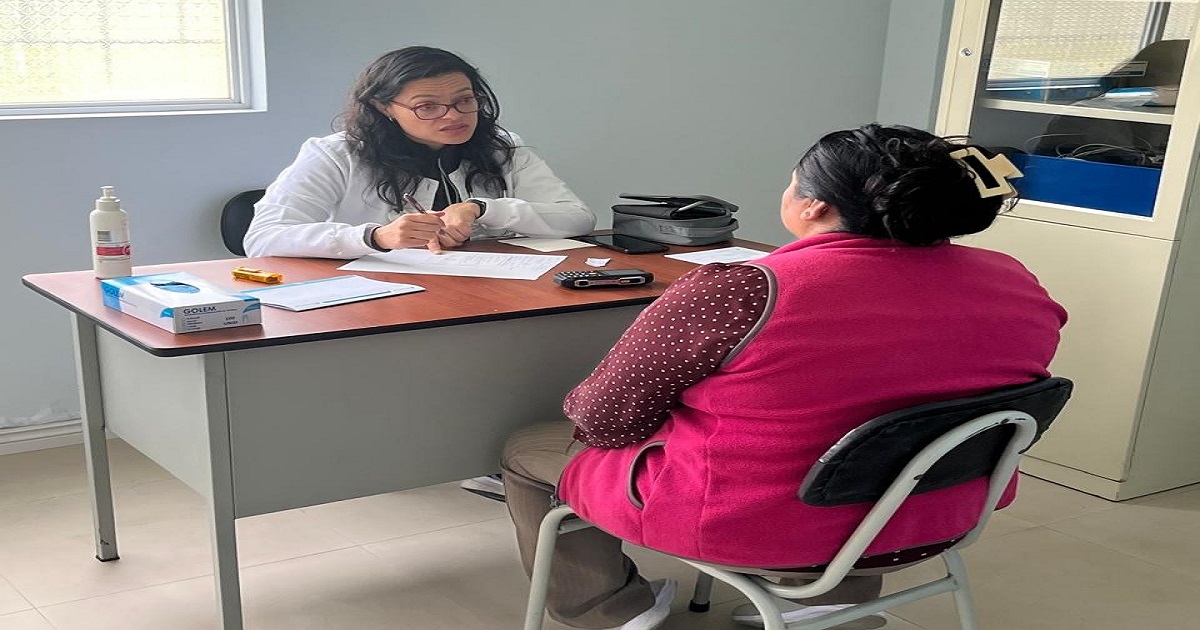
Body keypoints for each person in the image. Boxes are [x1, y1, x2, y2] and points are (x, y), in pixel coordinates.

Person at [501, 124, 1067, 630]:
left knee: (529, 448)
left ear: (814, 205)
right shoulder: (1014, 279)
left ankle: (607, 610)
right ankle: (832, 601)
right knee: (862, 429)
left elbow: (602, 418)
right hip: (938, 510)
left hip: (759, 524)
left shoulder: (742, 288)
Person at [243, 46, 595, 259]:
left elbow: (577, 219)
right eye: (427, 106)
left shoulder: (503, 147)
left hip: (486, 289)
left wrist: (482, 208)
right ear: (384, 107)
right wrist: (376, 237)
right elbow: (263, 238)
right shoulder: (335, 155)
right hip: (377, 298)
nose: (453, 116)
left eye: (465, 100)